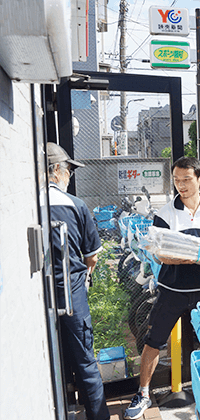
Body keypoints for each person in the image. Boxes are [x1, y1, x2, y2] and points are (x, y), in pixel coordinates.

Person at [124, 157, 200, 420]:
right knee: (152, 341)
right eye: (176, 180)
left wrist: (189, 254)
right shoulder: (165, 214)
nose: (180, 185)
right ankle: (144, 394)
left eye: (186, 179)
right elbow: (161, 255)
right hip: (171, 290)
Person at [47, 142, 110, 420]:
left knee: (52, 355)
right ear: (57, 170)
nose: (69, 176)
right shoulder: (75, 205)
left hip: (40, 296)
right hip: (71, 294)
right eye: (69, 170)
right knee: (85, 359)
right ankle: (97, 415)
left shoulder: (26, 205)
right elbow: (92, 256)